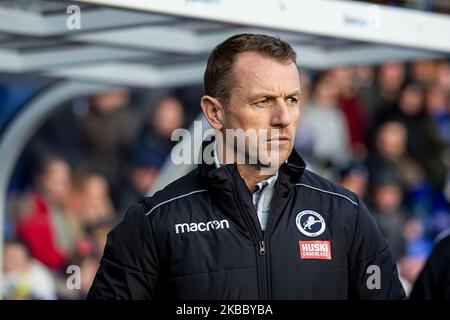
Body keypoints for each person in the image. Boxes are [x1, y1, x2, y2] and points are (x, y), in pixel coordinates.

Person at [87, 33, 405, 299]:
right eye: (263, 101)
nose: (283, 118)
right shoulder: (154, 222)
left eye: (292, 100)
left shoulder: (344, 212)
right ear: (215, 113)